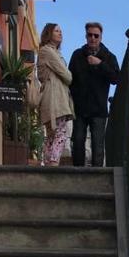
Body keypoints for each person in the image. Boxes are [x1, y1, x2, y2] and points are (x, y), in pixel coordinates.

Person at [68, 22, 119, 167]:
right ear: (86, 36)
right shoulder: (77, 55)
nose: (93, 38)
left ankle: (97, 177)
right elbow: (69, 78)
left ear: (101, 37)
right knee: (77, 141)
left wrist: (100, 64)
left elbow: (116, 78)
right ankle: (78, 175)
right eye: (90, 35)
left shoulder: (109, 57)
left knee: (98, 146)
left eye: (96, 35)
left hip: (99, 109)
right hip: (79, 108)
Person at [37, 23, 74, 167]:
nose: (60, 33)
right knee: (60, 133)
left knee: (52, 133)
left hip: (51, 96)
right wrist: (68, 74)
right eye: (57, 31)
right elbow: (67, 76)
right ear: (49, 33)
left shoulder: (51, 52)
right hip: (54, 97)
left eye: (61, 31)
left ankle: (48, 163)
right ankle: (52, 163)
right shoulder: (48, 51)